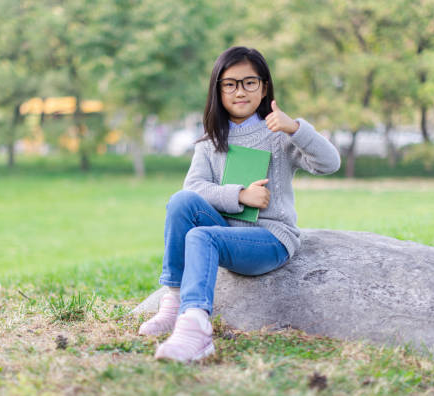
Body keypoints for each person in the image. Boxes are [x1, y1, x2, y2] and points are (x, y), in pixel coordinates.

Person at [138, 46, 341, 362]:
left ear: (264, 87)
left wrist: (296, 128)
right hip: (226, 232)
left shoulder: (280, 134)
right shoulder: (210, 141)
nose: (240, 91)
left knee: (201, 237)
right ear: (218, 90)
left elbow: (330, 163)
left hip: (270, 239)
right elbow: (194, 188)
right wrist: (239, 195)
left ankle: (197, 330)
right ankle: (175, 300)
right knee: (181, 201)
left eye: (249, 82)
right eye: (230, 84)